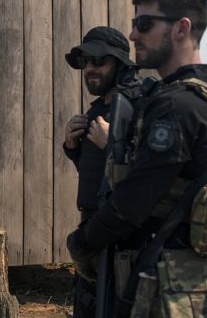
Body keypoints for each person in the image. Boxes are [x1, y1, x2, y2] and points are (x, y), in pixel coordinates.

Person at [67, 0, 207, 317]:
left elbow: (132, 202)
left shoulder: (177, 106)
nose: (134, 35)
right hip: (183, 278)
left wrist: (81, 243)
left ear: (181, 28)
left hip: (162, 283)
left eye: (144, 24)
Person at [62, 27, 141, 318]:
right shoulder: (97, 111)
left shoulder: (139, 107)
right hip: (93, 231)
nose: (90, 69)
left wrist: (113, 145)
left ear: (119, 63)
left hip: (123, 237)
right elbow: (98, 175)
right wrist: (72, 146)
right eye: (86, 62)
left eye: (99, 62)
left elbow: (150, 177)